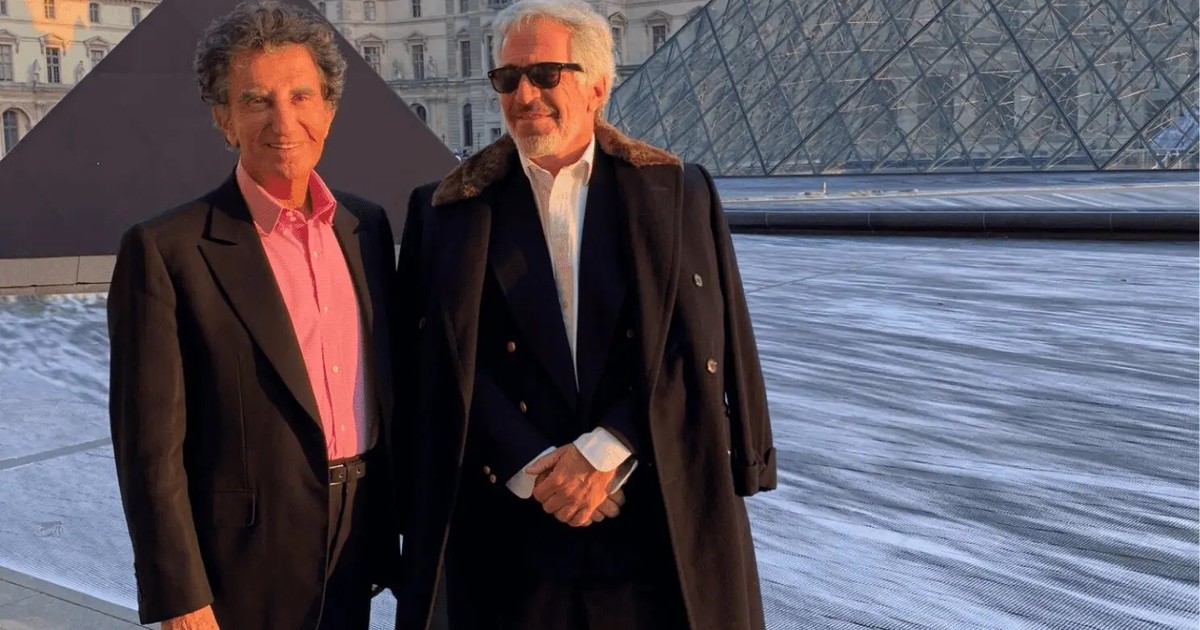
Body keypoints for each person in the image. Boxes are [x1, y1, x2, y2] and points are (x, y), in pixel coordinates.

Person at [392, 0, 776, 628]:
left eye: (546, 75)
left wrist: (604, 452)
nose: (525, 95)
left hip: (652, 507)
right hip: (508, 520)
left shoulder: (678, 191)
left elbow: (700, 341)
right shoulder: (443, 210)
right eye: (508, 78)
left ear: (598, 85)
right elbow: (436, 361)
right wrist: (536, 467)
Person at [107, 2, 399, 628]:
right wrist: (181, 596)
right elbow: (149, 449)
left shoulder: (365, 227)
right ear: (224, 118)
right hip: (240, 565)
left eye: (301, 96)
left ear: (330, 109)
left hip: (358, 540)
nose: (283, 122)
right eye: (257, 100)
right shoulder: (168, 250)